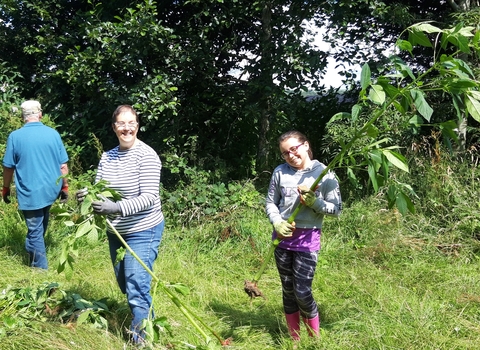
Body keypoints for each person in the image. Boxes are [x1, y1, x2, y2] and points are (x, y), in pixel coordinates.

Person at [76, 105, 164, 345]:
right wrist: (88, 197)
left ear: (137, 125)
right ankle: (151, 322)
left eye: (131, 123)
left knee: (137, 284)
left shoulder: (147, 155)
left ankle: (141, 340)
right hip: (117, 231)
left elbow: (149, 198)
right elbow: (100, 190)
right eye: (121, 124)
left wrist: (116, 208)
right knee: (125, 283)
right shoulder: (108, 156)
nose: (127, 128)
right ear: (114, 128)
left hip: (144, 228)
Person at [265, 130, 342, 341]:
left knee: (302, 291)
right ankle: (295, 339)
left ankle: (314, 338)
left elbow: (337, 209)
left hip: (307, 242)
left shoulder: (324, 174)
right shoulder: (280, 172)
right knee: (288, 291)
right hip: (281, 240)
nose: (290, 155)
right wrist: (277, 222)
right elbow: (271, 202)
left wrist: (315, 203)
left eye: (294, 149)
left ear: (306, 145)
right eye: (285, 153)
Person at [2, 100, 69, 270]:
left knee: (35, 230)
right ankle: (32, 254)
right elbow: (63, 166)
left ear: (23, 117)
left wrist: (5, 188)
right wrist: (65, 187)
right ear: (40, 114)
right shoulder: (53, 134)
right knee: (39, 226)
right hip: (50, 190)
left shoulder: (15, 137)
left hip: (30, 192)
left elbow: (8, 167)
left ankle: (40, 271)